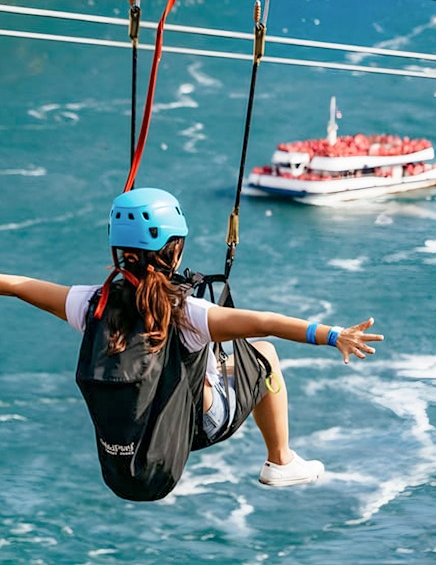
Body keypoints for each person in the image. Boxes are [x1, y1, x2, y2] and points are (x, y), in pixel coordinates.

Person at [0, 187, 384, 490]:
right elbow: (266, 323)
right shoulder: (188, 313)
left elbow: (18, 286)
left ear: (118, 250)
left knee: (212, 356)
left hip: (133, 447)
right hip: (196, 427)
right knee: (263, 353)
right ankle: (280, 460)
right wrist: (333, 336)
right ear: (176, 248)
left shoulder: (91, 305)